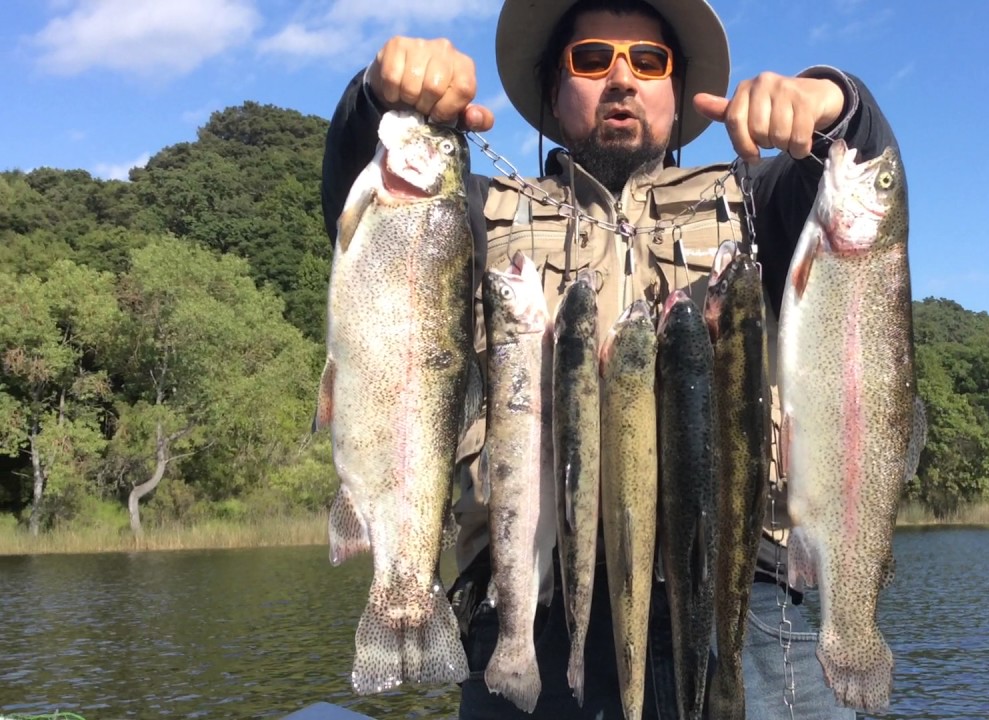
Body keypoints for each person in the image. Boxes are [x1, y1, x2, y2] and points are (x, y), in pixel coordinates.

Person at [320, 1, 899, 717]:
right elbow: (360, 215)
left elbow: (871, 192)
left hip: (748, 607)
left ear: (677, 89)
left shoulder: (761, 200)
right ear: (553, 87)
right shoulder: (468, 207)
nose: (621, 79)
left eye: (648, 62)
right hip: (530, 608)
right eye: (592, 59)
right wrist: (377, 97)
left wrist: (837, 100)